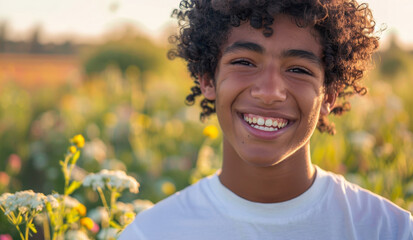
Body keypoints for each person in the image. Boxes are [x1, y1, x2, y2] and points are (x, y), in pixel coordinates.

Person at [119, 0, 413, 239]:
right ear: (208, 79)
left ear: (329, 95)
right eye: (244, 63)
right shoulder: (152, 233)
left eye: (298, 69)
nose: (269, 93)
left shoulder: (389, 230)